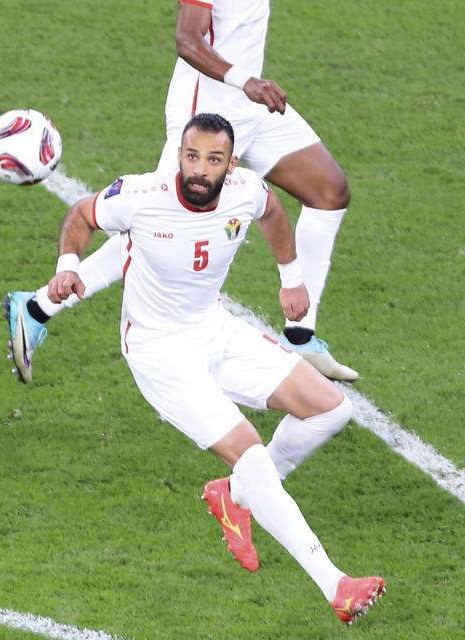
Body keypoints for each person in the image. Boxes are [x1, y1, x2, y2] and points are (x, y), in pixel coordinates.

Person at [45, 113, 384, 624]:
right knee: (248, 449)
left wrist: (291, 279)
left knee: (330, 410)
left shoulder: (245, 189)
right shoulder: (141, 195)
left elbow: (272, 212)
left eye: (214, 160)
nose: (200, 170)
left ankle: (237, 494)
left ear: (230, 164)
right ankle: (335, 584)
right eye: (192, 156)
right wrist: (68, 267)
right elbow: (81, 214)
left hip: (213, 328)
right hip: (160, 352)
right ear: (180, 155)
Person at [5, 0, 357, 383]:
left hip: (250, 107)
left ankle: (299, 336)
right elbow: (187, 40)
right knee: (152, 227)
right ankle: (37, 308)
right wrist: (247, 82)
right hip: (205, 119)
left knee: (329, 191)